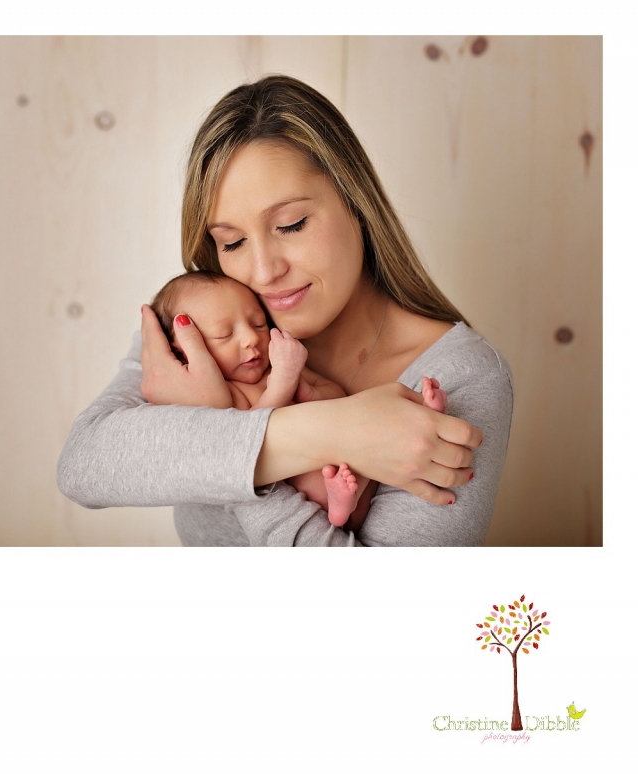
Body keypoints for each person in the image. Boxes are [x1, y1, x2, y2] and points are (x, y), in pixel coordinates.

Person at [57, 74, 513, 546]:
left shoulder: (460, 375)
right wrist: (337, 430)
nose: (262, 271)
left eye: (291, 224)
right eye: (231, 242)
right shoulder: (212, 326)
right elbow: (84, 464)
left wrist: (225, 433)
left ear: (355, 202)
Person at [149, 270, 448, 531]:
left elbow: (337, 397)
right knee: (326, 474)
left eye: (257, 324)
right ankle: (339, 504)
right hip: (312, 492)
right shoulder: (228, 392)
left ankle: (418, 416)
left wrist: (313, 392)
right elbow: (248, 438)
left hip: (361, 465)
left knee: (371, 424)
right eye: (224, 334)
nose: (250, 340)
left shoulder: (276, 362)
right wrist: (284, 380)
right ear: (186, 351)